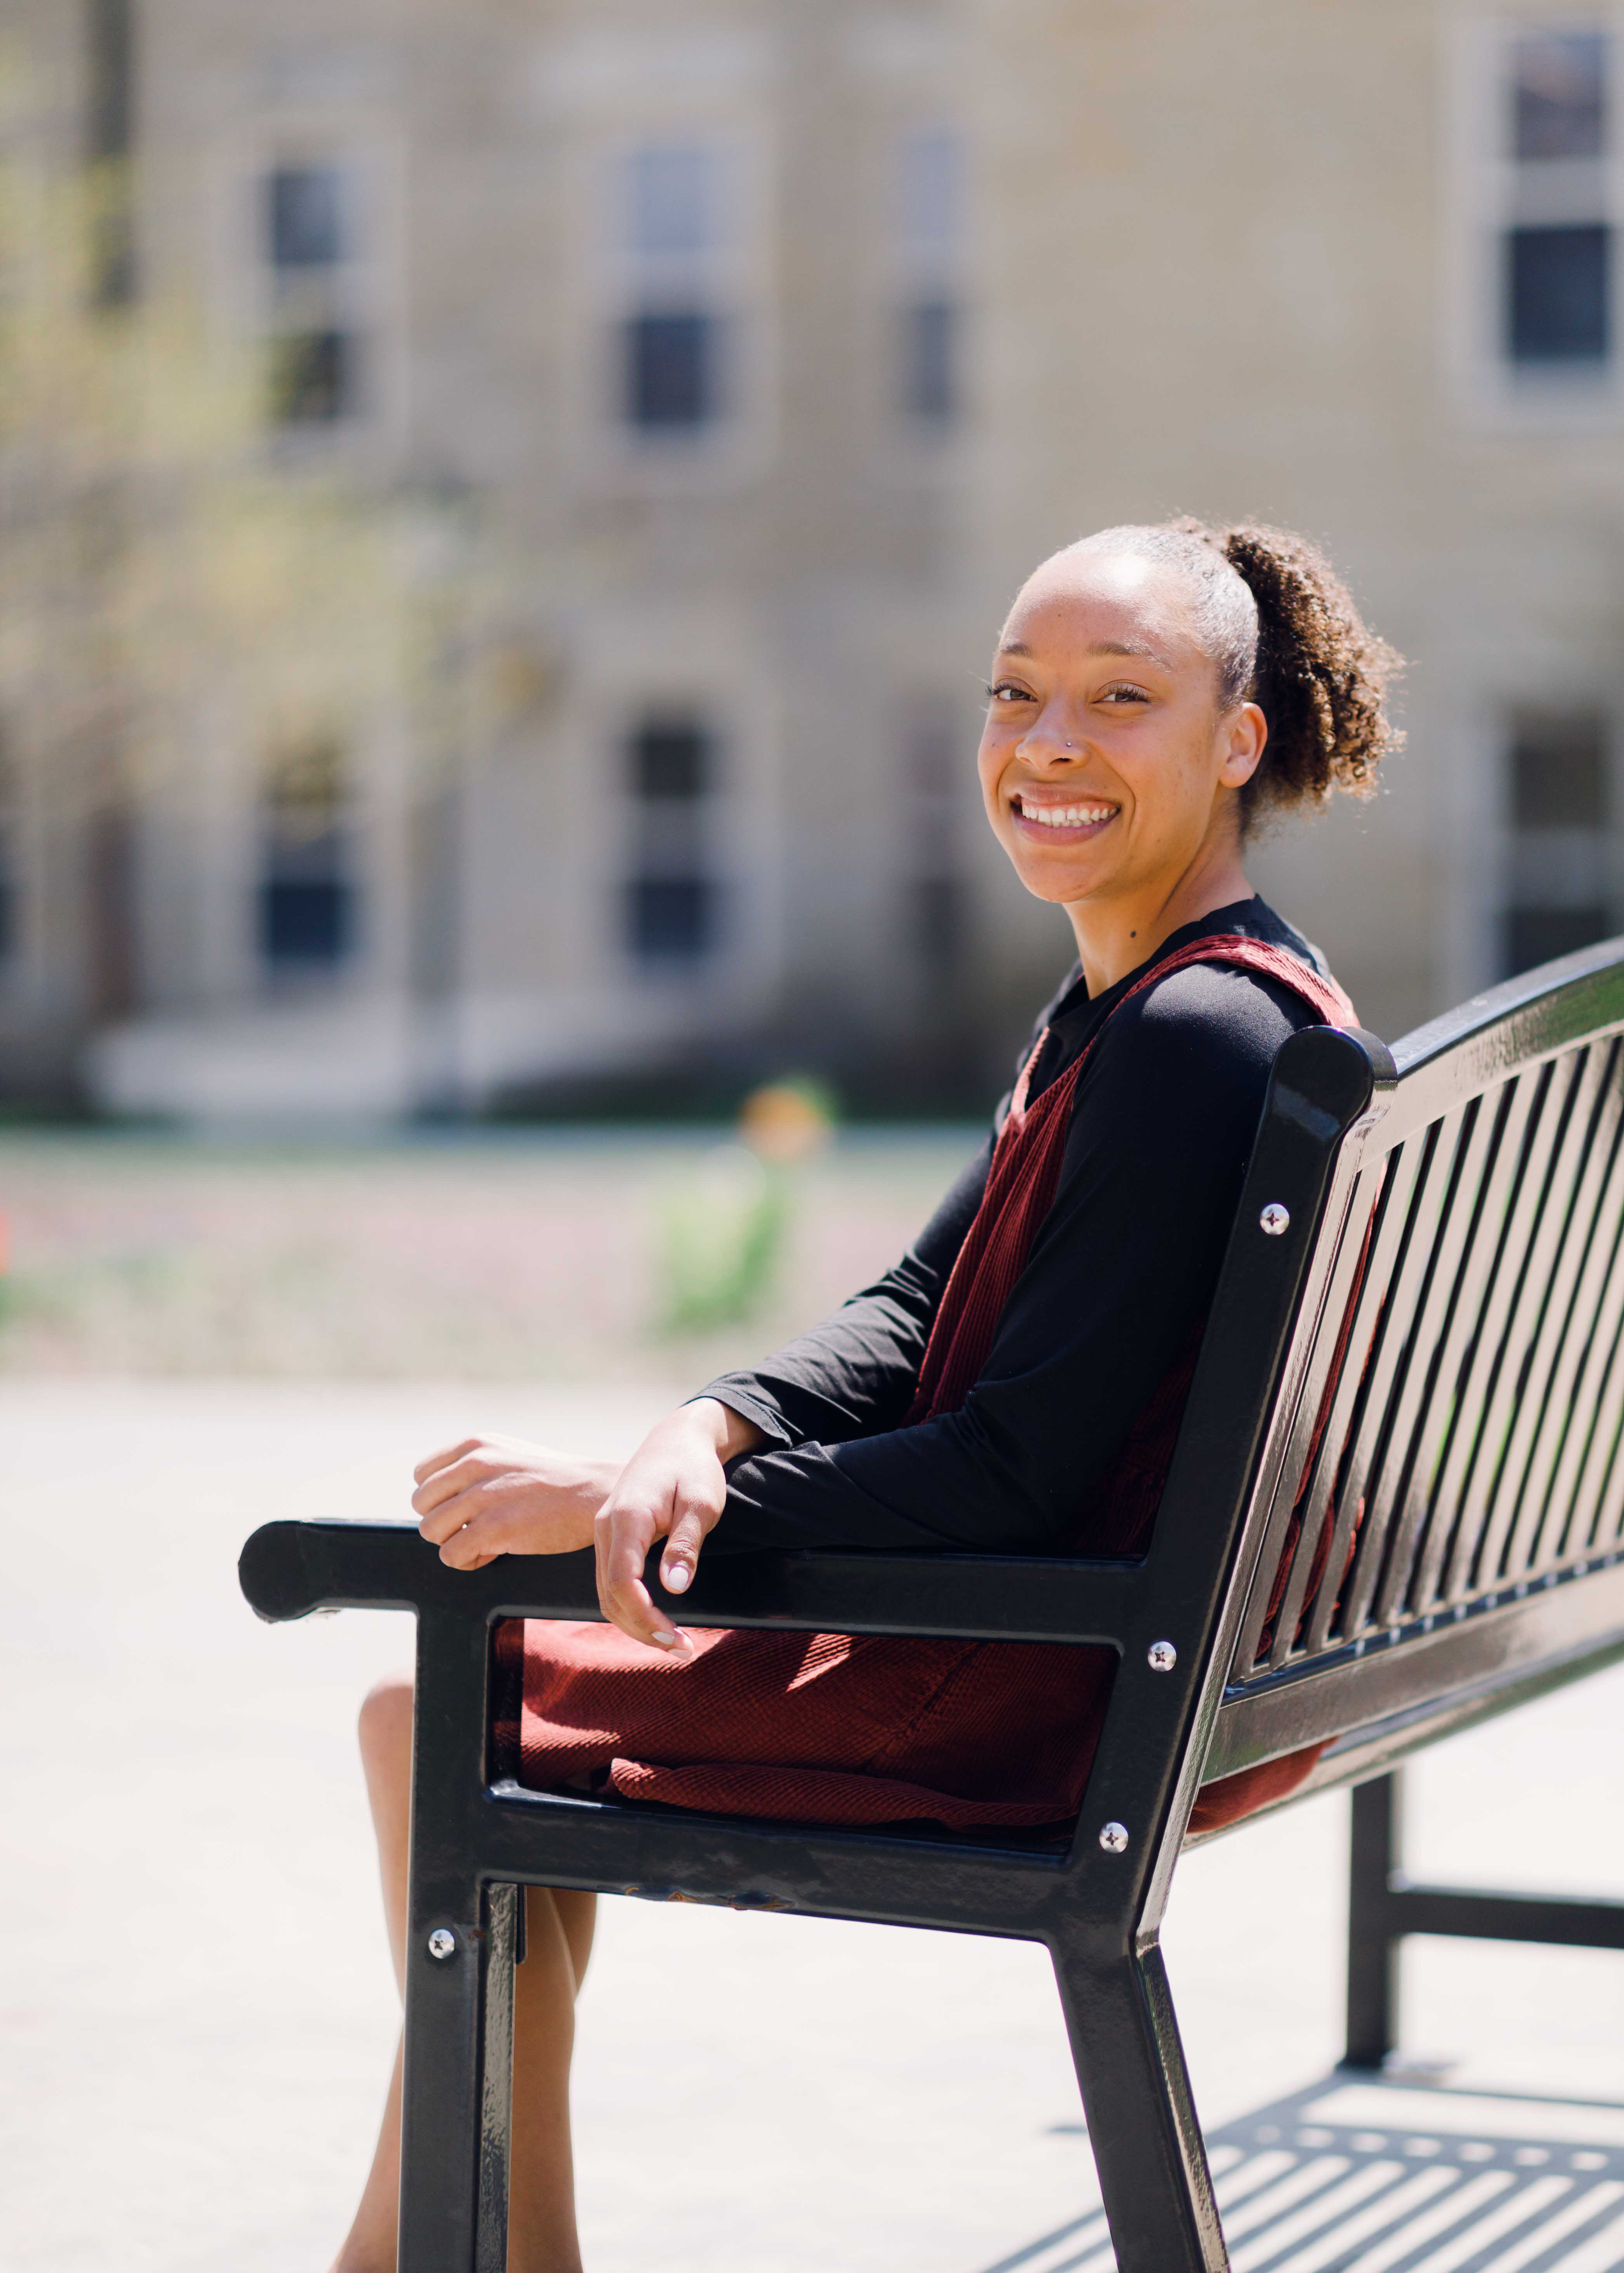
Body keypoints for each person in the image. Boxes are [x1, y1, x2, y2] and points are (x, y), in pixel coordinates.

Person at [331, 517, 1398, 2273]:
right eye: (1015, 695)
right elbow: (919, 1303)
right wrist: (700, 1430)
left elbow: (1016, 1476)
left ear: (1236, 739)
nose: (1048, 742)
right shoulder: (1146, 1003)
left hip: (1039, 1685)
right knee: (455, 1698)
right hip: (1120, 1650)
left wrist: (641, 1513)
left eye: (1118, 698)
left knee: (428, 1703)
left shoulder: (1196, 1042)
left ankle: (452, 2263)